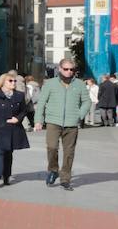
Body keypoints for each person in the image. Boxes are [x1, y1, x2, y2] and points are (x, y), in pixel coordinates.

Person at [34, 57, 92, 190]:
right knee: (52, 147)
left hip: (71, 124)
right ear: (60, 69)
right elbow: (41, 103)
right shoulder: (50, 83)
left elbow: (87, 102)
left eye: (71, 69)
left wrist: (79, 115)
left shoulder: (79, 84)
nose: (69, 72)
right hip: (53, 122)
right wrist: (38, 120)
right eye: (66, 69)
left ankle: (65, 179)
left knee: (69, 152)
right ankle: (53, 170)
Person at [0, 72, 30, 188]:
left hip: (13, 129)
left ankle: (6, 175)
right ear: (3, 82)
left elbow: (24, 111)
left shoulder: (19, 95)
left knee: (8, 153)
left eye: (14, 81)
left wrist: (17, 119)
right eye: (10, 81)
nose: (13, 83)